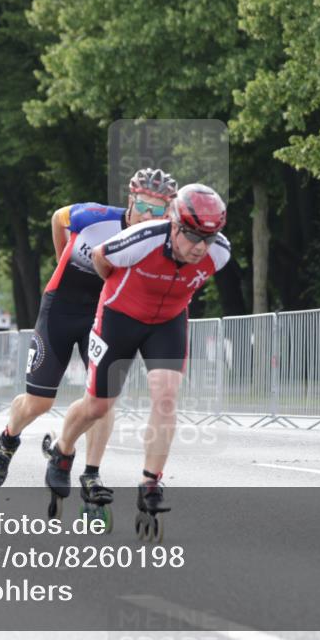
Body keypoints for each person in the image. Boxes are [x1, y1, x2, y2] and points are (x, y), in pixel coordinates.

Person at [0, 168, 179, 514]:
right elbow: (59, 219)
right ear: (130, 200)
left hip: (105, 315)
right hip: (60, 308)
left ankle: (91, 472)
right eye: (144, 206)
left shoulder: (161, 238)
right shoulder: (94, 216)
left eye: (159, 209)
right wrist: (65, 257)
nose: (149, 216)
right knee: (39, 402)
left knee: (101, 400)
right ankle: (7, 439)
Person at [43, 183, 231, 537]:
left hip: (167, 321)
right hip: (119, 315)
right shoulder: (142, 238)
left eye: (209, 237)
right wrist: (122, 289)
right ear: (174, 225)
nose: (200, 247)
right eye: (192, 236)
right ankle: (63, 450)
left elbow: (194, 278)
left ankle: (150, 483)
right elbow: (101, 258)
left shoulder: (219, 253)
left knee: (166, 394)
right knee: (99, 405)